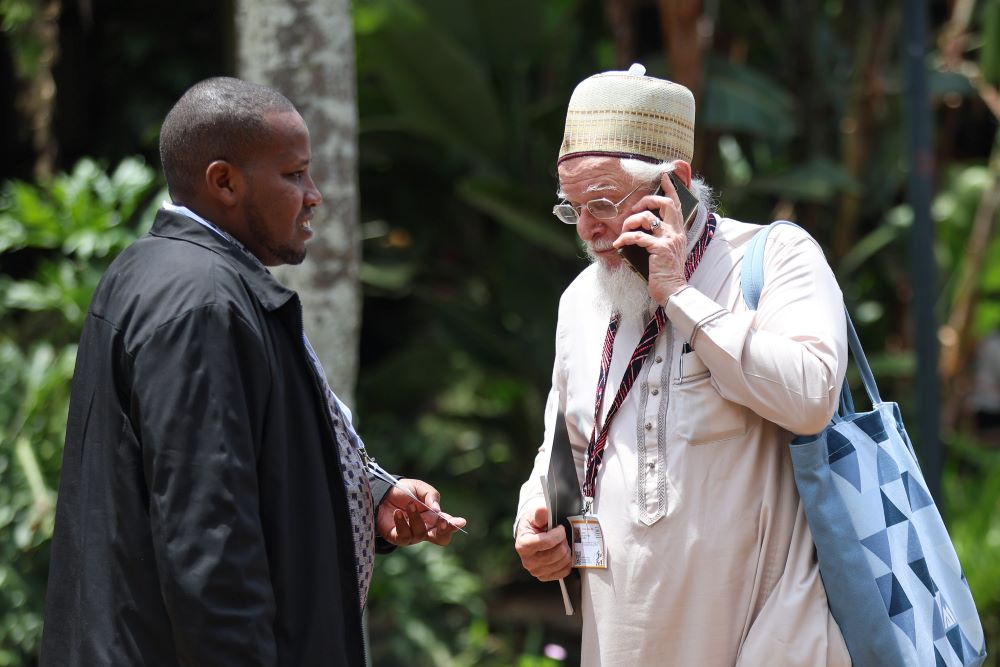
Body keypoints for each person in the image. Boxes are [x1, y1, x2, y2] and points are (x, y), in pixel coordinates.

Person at [41, 77, 465, 666]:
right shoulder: (201, 302)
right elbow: (207, 535)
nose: (313, 195)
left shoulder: (170, 271)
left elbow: (254, 457)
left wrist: (366, 495)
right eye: (293, 174)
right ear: (225, 182)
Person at [513, 63, 851, 666]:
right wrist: (541, 514)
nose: (588, 230)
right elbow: (567, 444)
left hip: (763, 635)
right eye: (572, 208)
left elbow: (811, 397)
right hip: (621, 636)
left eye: (602, 203)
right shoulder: (581, 299)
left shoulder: (776, 258)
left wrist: (681, 298)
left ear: (676, 183)